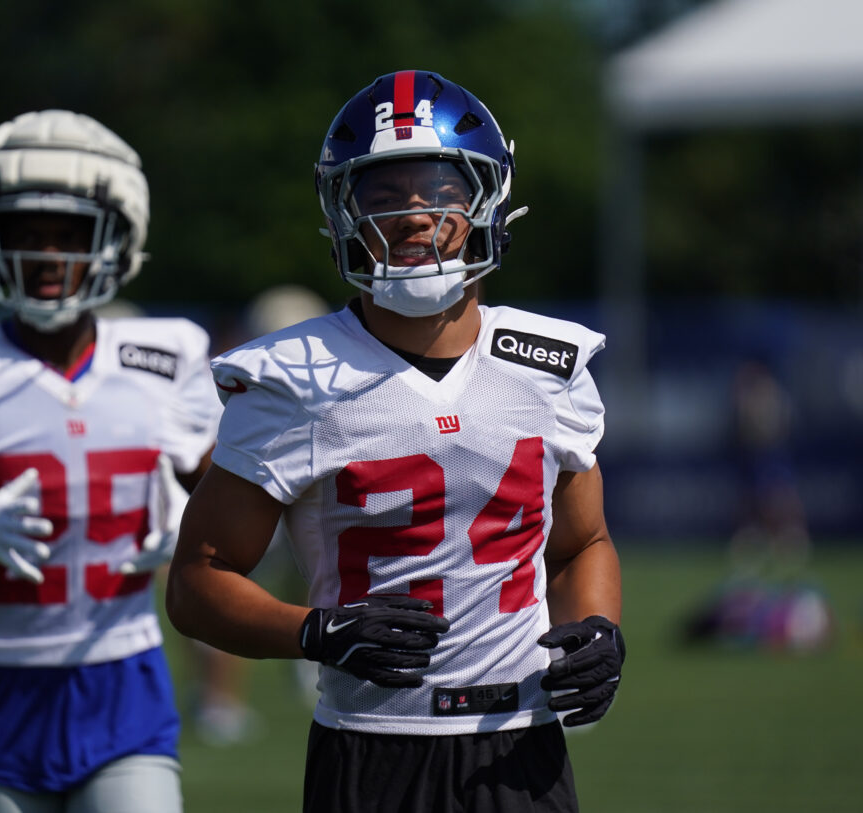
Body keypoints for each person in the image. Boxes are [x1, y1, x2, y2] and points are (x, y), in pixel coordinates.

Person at [166, 70, 624, 813]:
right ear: (341, 210)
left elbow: (582, 543)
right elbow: (196, 580)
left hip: (523, 744)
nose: (414, 216)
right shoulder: (295, 376)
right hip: (371, 746)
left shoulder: (548, 366)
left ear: (486, 200)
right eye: (383, 194)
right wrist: (314, 631)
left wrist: (597, 627)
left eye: (439, 189)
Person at [0, 109, 221, 812]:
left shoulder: (167, 357)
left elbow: (238, 526)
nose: (48, 255)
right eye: (26, 234)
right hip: (3, 693)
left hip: (126, 685)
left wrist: (189, 523)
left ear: (114, 241)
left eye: (69, 234)